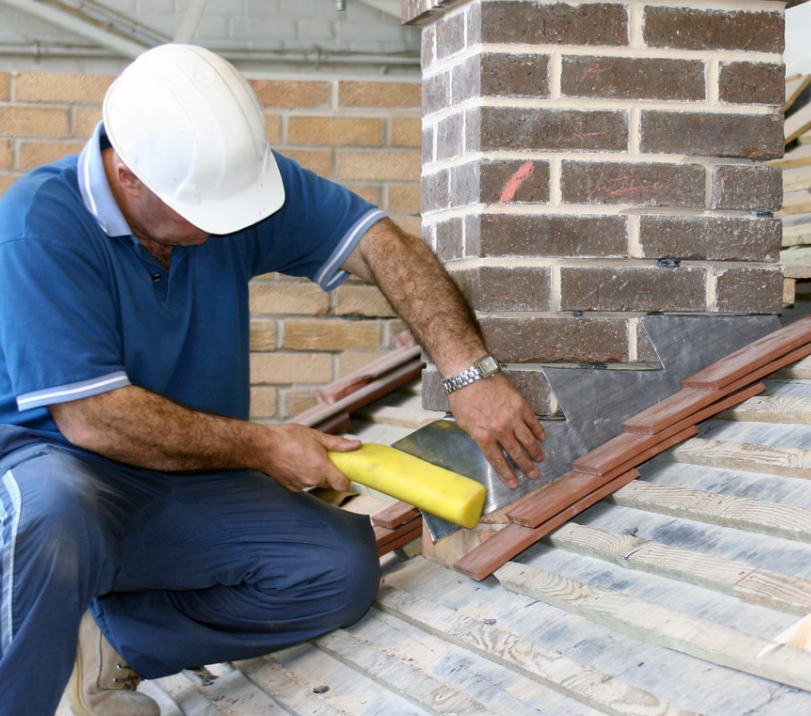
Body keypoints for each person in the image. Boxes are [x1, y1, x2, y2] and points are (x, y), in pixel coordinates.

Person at [0, 44, 545, 716]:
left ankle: (110, 644)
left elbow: (382, 243)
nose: (221, 227)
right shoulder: (38, 226)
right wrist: (265, 447)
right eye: (201, 211)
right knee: (52, 520)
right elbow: (95, 420)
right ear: (130, 174)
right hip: (52, 465)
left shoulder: (225, 190)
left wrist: (469, 373)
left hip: (182, 473)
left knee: (336, 570)